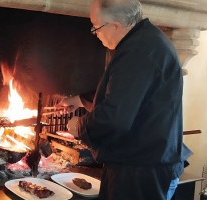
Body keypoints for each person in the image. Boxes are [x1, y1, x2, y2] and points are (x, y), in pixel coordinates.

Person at [55, 0, 185, 199]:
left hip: (141, 170)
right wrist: (81, 100)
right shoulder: (147, 40)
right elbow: (128, 98)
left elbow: (114, 118)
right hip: (143, 161)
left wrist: (79, 127)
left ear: (116, 25)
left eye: (96, 27)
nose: (95, 33)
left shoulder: (137, 52)